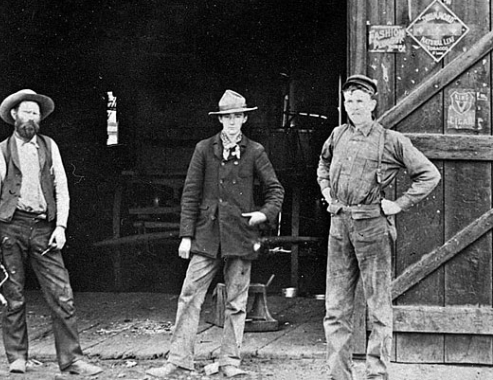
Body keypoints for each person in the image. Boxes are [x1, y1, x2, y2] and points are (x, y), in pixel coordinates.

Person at [148, 90, 284, 379]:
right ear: (220, 120)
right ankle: (178, 361)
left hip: (240, 235)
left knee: (236, 302)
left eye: (237, 116)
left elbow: (276, 190)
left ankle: (229, 363)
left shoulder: (256, 151)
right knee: (189, 296)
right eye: (227, 117)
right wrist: (186, 235)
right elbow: (190, 193)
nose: (232, 122)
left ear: (244, 118)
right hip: (207, 235)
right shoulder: (203, 149)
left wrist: (263, 214)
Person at [317, 74, 440, 380]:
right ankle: (338, 375)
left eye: (360, 101)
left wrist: (398, 204)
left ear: (372, 104)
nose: (353, 106)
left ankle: (376, 375)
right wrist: (327, 193)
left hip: (372, 227)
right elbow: (322, 165)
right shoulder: (337, 135)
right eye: (349, 100)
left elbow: (429, 174)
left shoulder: (390, 140)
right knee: (335, 309)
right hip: (339, 227)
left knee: (378, 309)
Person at [0, 89, 102, 376]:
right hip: (10, 228)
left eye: (35, 113)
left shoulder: (50, 147)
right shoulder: (0, 152)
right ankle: (17, 358)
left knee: (62, 294)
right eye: (26, 112)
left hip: (44, 228)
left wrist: (61, 226)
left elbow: (62, 187)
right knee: (14, 296)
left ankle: (72, 360)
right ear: (14, 115)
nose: (31, 118)